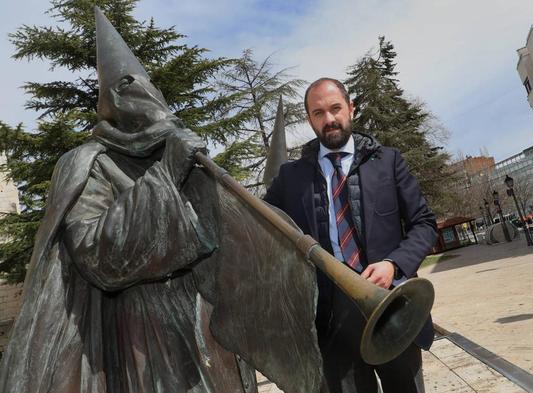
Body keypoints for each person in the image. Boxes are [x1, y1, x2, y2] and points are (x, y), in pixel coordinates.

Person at [0, 8, 323, 393]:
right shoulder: (88, 164)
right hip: (146, 335)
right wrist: (166, 175)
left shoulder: (173, 149)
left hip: (206, 322)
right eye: (128, 90)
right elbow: (96, 255)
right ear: (112, 101)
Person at [264, 78, 438, 393]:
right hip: (331, 325)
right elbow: (258, 225)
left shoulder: (389, 161)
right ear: (309, 120)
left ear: (351, 109)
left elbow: (424, 223)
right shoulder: (289, 178)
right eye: (318, 113)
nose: (329, 119)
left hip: (391, 311)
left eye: (335, 108)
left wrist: (393, 264)